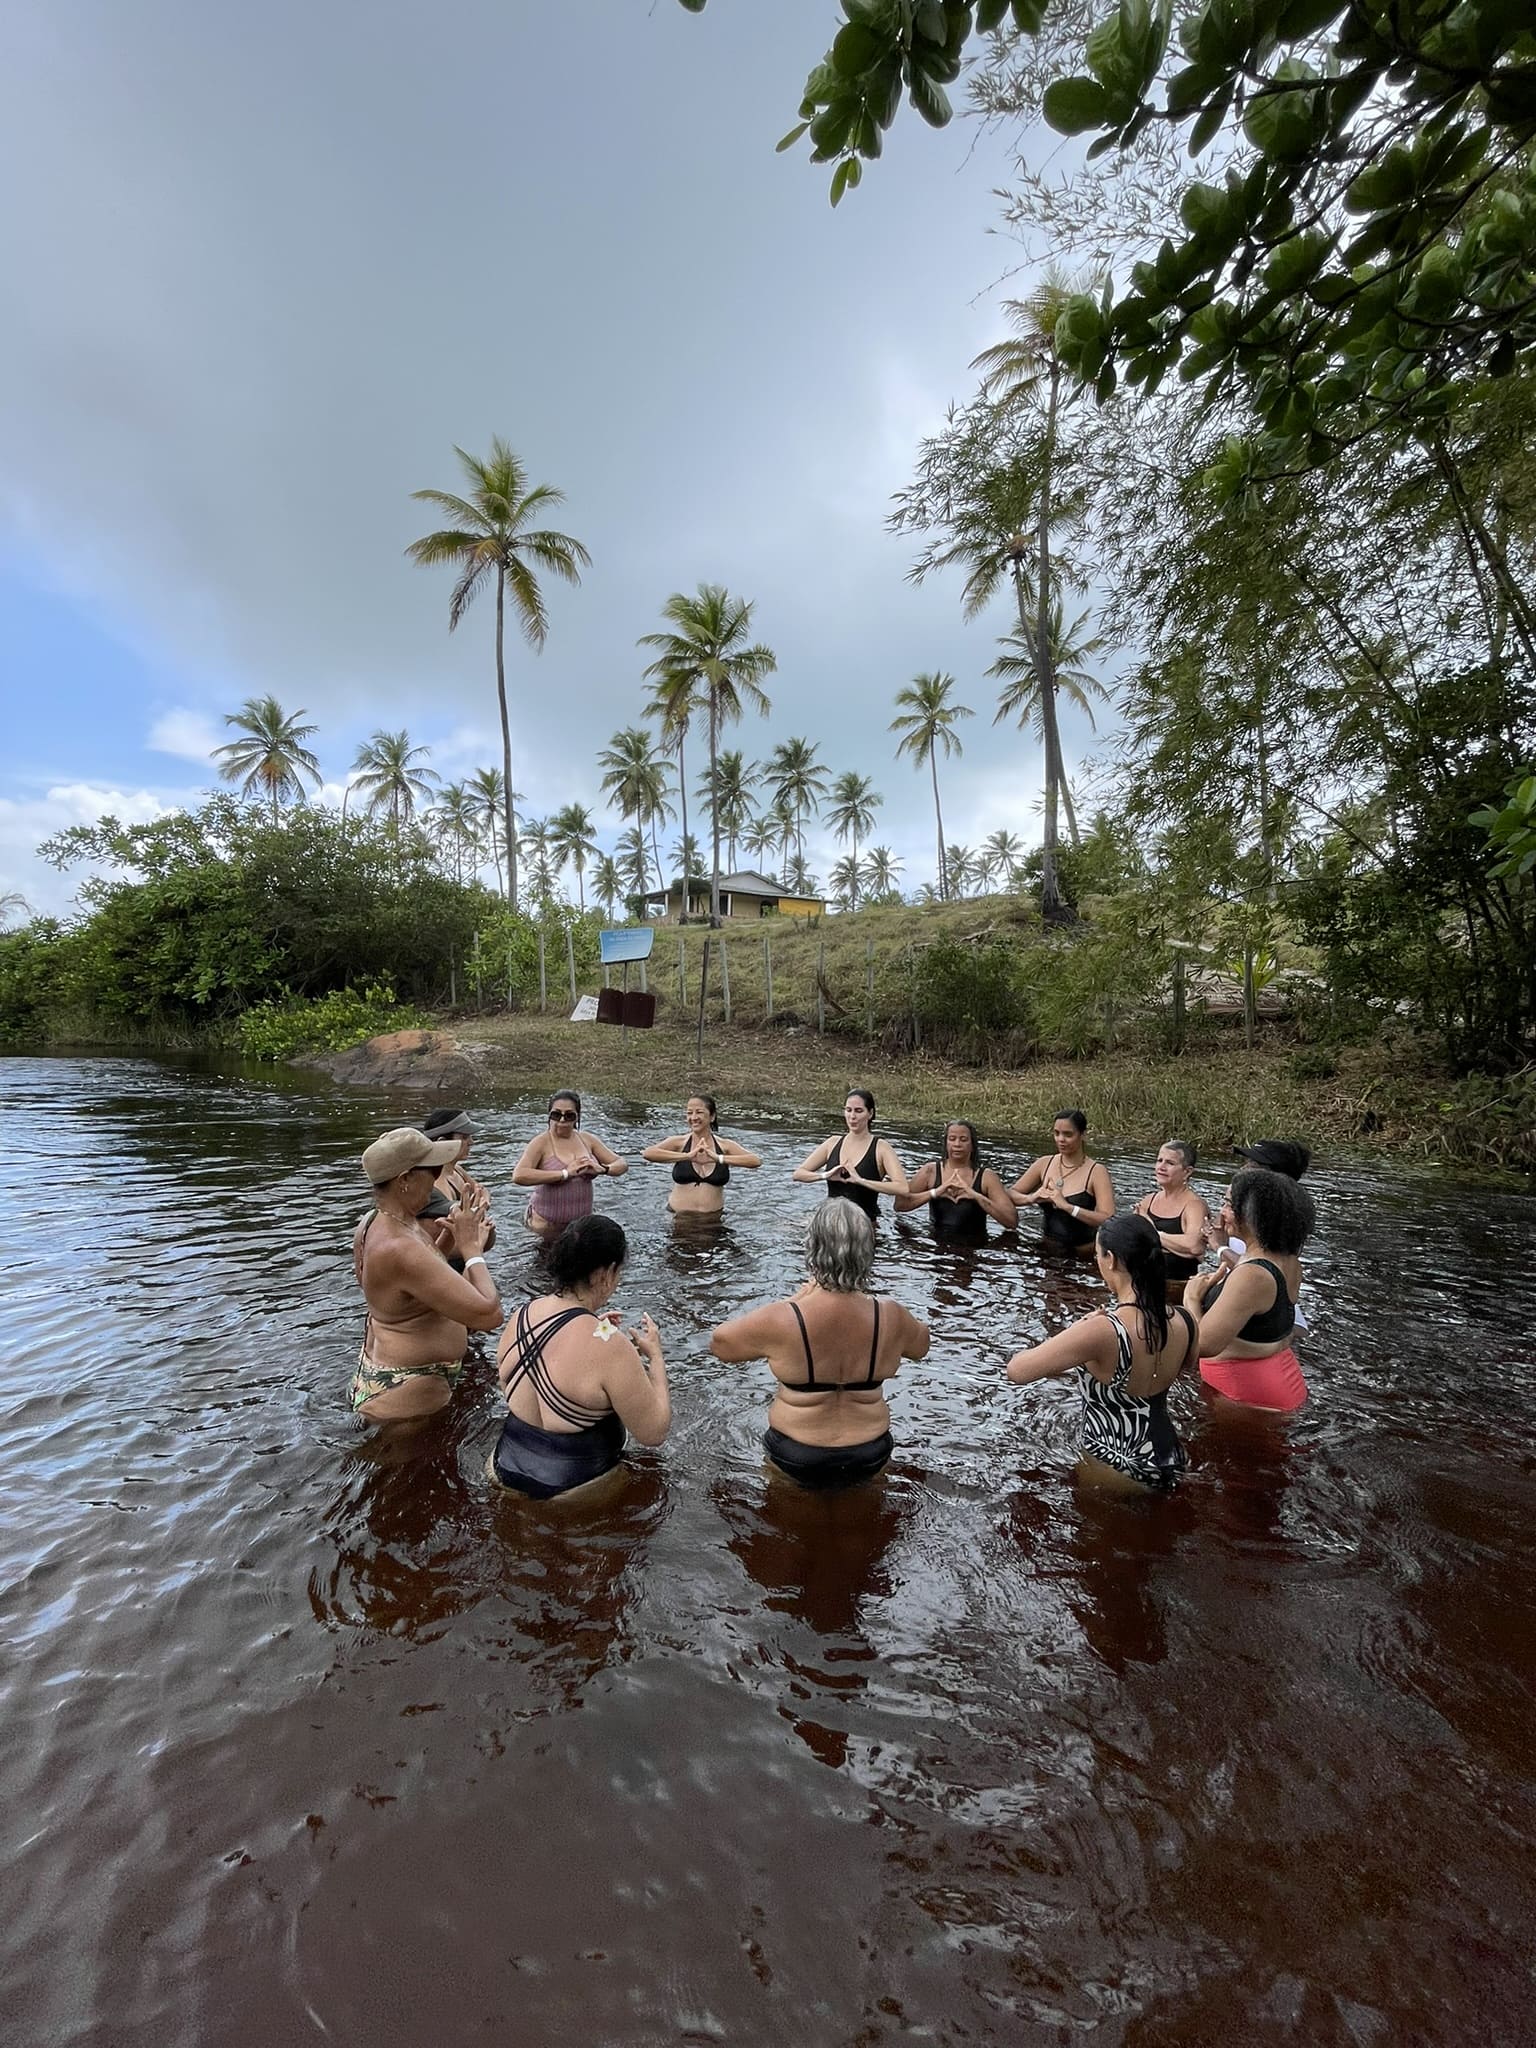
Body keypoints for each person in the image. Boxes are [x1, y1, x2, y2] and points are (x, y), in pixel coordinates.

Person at [709, 1201, 931, 1488]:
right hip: (870, 1450)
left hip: (797, 1453)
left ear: (812, 1248)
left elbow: (720, 1345)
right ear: (867, 1252)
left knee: (786, 1529)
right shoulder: (890, 1315)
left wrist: (796, 1301)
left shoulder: (784, 1317)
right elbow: (922, 1346)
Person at [1004, 1214, 1195, 1492]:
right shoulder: (1186, 1321)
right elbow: (1186, 1365)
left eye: (1098, 1256)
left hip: (1116, 1464)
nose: (1097, 1263)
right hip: (1171, 1457)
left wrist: (1075, 1331)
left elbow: (1017, 1371)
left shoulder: (1103, 1330)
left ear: (1112, 1260)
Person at [490, 1215, 671, 1499]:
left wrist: (593, 1326)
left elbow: (545, 1363)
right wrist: (656, 1358)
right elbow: (654, 1433)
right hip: (573, 1483)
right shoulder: (611, 1345)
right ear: (605, 1274)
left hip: (504, 1463)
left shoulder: (522, 1314)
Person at [350, 1127, 502, 1424]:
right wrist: (472, 1249)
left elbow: (415, 1286)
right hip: (408, 1389)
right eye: (432, 1170)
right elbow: (489, 1314)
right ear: (404, 1180)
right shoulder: (400, 1248)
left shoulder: (376, 1222)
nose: (437, 1179)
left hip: (390, 1377)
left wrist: (449, 1236)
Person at [1184, 1167, 1315, 1413]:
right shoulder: (1288, 1261)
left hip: (1248, 1399)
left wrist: (1191, 1298)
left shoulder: (1252, 1275)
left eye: (1228, 1205)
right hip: (1276, 1385)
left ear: (1254, 1215)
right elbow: (1272, 1328)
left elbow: (1201, 1346)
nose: (1221, 1214)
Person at [1202, 1140, 1312, 1329]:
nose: (1243, 1168)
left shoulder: (1282, 1221)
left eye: (1253, 1165)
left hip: (1272, 1324)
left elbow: (1265, 1275)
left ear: (1275, 1177)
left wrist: (1220, 1247)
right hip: (1246, 1310)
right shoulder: (1248, 1209)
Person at [512, 1090, 628, 1239]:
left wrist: (602, 1169)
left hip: (580, 1227)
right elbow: (519, 1175)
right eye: (556, 1114)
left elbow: (622, 1164)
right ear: (549, 1115)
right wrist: (565, 1173)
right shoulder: (541, 1142)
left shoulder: (587, 1140)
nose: (561, 1120)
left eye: (569, 1115)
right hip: (546, 1228)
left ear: (577, 1117)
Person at [791, 1087, 908, 1221]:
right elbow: (798, 1174)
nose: (852, 1116)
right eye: (848, 1110)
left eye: (858, 1111)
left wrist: (861, 1181)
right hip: (830, 1221)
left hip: (864, 1225)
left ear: (870, 1114)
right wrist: (825, 1175)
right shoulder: (832, 1143)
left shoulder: (881, 1148)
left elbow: (902, 1188)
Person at [894, 1120, 1019, 1244]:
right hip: (935, 1244)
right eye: (952, 1139)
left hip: (975, 1247)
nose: (957, 1144)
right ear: (946, 1143)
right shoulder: (930, 1171)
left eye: (963, 1139)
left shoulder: (986, 1177)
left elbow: (1012, 1221)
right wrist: (935, 1192)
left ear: (972, 1144)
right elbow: (900, 1205)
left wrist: (977, 1197)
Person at [1010, 1108, 1116, 1254]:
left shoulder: (1096, 1172)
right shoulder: (1044, 1163)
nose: (1061, 1139)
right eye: (1056, 1133)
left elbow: (1108, 1219)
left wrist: (1069, 1207)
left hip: (1082, 1254)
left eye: (1068, 1134)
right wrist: (1031, 1198)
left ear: (1083, 1135)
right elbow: (1010, 1194)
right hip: (1047, 1250)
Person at [641, 1095, 763, 1216]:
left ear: (712, 1116)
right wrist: (687, 1156)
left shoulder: (725, 1146)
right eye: (689, 1113)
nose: (693, 1117)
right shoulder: (679, 1142)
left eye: (699, 1112)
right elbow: (648, 1153)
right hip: (679, 1217)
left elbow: (755, 1161)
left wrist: (718, 1158)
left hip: (713, 1220)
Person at [419, 1107, 497, 1270]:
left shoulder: (457, 1170)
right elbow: (431, 1244)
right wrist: (478, 1240)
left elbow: (481, 1190)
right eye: (464, 1137)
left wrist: (483, 1200)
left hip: (468, 1263)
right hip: (447, 1273)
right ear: (442, 1143)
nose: (471, 1142)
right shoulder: (432, 1186)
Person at [1132, 1139, 1209, 1294]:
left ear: (1187, 1172)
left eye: (1170, 1163)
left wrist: (1152, 1233)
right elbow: (1131, 1238)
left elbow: (1194, 1246)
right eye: (1159, 1160)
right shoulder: (1149, 1200)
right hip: (1144, 1283)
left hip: (1176, 1288)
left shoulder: (1194, 1205)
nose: (1161, 1167)